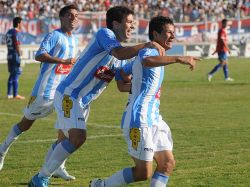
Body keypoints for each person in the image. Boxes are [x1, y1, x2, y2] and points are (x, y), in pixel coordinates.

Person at [28, 6, 166, 187]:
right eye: (130, 22)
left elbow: (121, 85)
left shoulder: (122, 57)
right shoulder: (105, 35)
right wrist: (147, 44)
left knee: (67, 140)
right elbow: (119, 52)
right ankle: (41, 178)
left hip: (83, 102)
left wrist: (144, 88)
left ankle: (43, 175)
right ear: (116, 23)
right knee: (77, 137)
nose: (133, 27)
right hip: (70, 94)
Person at [89, 16, 200, 187]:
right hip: (139, 119)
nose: (173, 36)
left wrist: (132, 83)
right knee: (143, 172)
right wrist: (178, 58)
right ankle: (101, 185)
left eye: (173, 33)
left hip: (155, 118)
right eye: (168, 32)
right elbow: (147, 61)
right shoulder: (149, 51)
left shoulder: (158, 54)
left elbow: (122, 74)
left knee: (167, 164)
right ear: (155, 34)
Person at [0, 4, 79, 181]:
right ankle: (3, 149)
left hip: (61, 93)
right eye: (70, 15)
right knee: (25, 125)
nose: (74, 18)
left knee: (66, 128)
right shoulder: (54, 35)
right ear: (62, 18)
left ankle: (58, 166)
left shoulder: (74, 39)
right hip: (44, 91)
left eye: (76, 15)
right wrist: (63, 60)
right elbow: (39, 55)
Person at [6, 16, 25, 99]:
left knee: (11, 74)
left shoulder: (9, 32)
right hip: (15, 55)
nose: (22, 25)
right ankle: (15, 94)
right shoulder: (16, 33)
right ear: (18, 23)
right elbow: (17, 45)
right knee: (16, 74)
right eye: (21, 23)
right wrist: (20, 56)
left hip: (9, 54)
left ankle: (9, 94)